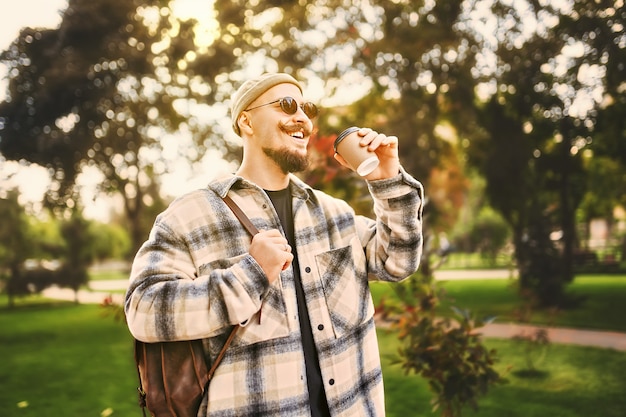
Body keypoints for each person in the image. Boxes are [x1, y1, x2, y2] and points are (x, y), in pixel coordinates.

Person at [125, 72, 424, 417]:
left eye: (307, 109)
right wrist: (249, 276)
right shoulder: (191, 216)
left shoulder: (334, 214)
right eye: (286, 105)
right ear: (246, 121)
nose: (303, 119)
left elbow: (398, 261)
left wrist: (388, 180)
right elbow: (143, 310)